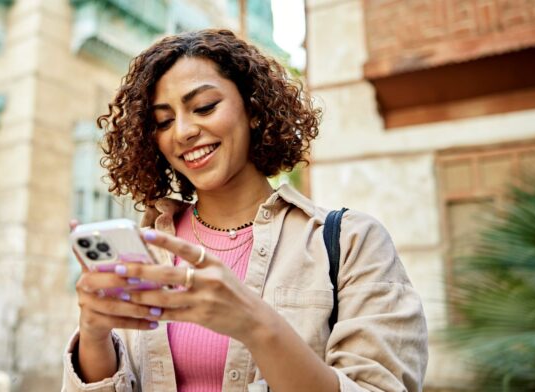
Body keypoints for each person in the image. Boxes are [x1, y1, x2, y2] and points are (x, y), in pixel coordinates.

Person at [62, 29, 428, 392]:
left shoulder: (350, 243)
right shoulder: (148, 252)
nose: (184, 132)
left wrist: (254, 324)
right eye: (164, 121)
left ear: (253, 109)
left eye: (204, 107)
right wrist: (94, 335)